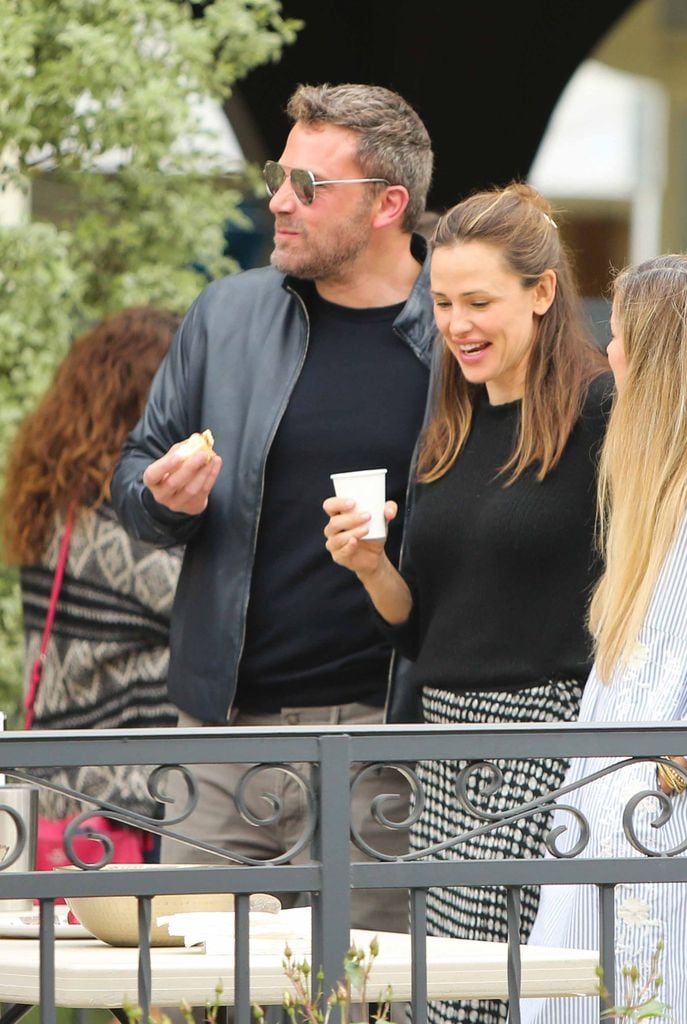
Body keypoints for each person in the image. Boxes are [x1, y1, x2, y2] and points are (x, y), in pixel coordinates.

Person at [110, 83, 435, 931]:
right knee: (199, 990)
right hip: (224, 737)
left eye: (307, 186)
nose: (277, 201)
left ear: (387, 205)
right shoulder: (228, 314)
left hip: (392, 741)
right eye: (276, 175)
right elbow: (135, 478)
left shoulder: (457, 333)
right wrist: (160, 497)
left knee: (372, 996)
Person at [324, 182, 612, 1024]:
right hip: (445, 742)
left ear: (544, 292)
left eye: (479, 302)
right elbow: (420, 622)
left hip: (547, 735)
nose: (458, 325)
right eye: (444, 303)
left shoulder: (601, 414)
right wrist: (371, 564)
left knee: (510, 993)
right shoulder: (446, 425)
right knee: (448, 995)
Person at [520, 254, 687, 1024]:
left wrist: (663, 773)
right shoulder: (680, 481)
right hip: (625, 838)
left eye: (622, 335)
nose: (609, 352)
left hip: (679, 842)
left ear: (659, 353)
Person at [2, 307, 183, 855]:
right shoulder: (114, 528)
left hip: (61, 782)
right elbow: (210, 605)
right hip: (125, 797)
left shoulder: (54, 505)